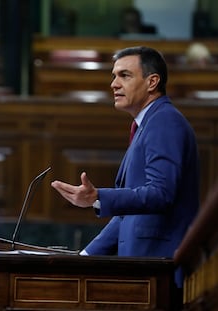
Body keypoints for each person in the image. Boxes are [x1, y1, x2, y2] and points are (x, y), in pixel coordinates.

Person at [51, 46, 200, 290]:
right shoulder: (148, 124)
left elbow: (161, 193)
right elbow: (128, 214)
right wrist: (85, 257)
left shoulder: (164, 121)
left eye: (124, 75)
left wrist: (99, 196)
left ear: (152, 82)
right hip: (143, 267)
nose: (114, 84)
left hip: (159, 268)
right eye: (113, 76)